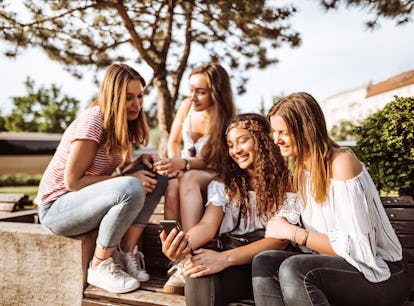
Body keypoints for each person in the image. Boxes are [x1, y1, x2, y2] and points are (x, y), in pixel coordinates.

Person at [252, 92, 414, 306]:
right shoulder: (300, 171)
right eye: (275, 132)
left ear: (305, 131)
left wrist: (293, 232)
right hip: (336, 268)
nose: (276, 139)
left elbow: (357, 249)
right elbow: (282, 220)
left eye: (283, 132)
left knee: (296, 269)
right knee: (265, 261)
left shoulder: (341, 163)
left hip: (380, 273)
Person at [35, 63, 168, 294]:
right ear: (114, 97)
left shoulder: (122, 125)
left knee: (159, 175)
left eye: (139, 96)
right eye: (128, 98)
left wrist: (139, 164)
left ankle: (127, 251)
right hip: (57, 209)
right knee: (133, 185)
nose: (137, 104)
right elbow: (73, 182)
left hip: (85, 203)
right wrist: (132, 178)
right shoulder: (94, 120)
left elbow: (112, 174)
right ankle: (99, 265)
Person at [160, 113, 299, 305]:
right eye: (231, 145)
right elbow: (207, 225)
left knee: (261, 264)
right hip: (232, 258)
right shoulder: (226, 183)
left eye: (242, 141)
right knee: (196, 271)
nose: (236, 150)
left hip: (268, 265)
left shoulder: (287, 182)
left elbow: (279, 242)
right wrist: (183, 245)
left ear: (262, 141)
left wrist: (224, 259)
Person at [153, 62, 236, 293]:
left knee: (187, 180)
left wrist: (185, 164)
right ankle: (175, 256)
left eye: (201, 91)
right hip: (187, 168)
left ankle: (189, 252)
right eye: (191, 90)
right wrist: (174, 163)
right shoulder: (187, 107)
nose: (194, 97)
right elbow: (173, 140)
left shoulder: (225, 118)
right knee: (171, 187)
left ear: (216, 92)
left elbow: (217, 160)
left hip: (212, 171)